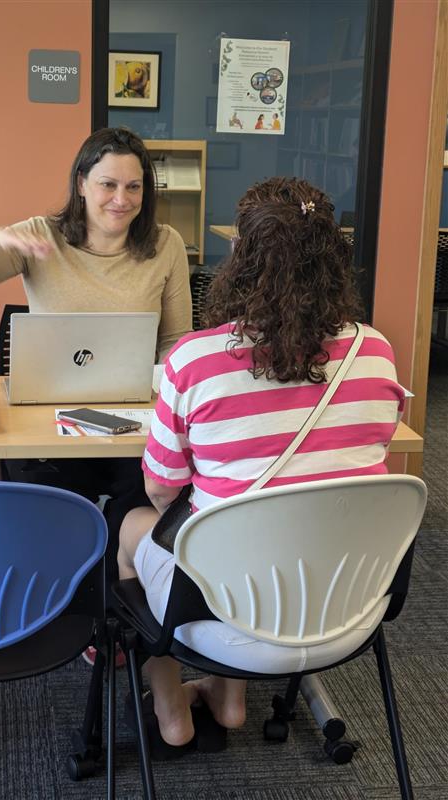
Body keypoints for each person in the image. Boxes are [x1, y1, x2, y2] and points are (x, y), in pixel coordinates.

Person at [117, 176, 405, 750]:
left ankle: (171, 702)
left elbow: (160, 492)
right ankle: (228, 698)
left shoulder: (195, 362)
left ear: (239, 259)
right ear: (333, 260)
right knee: (250, 531)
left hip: (231, 614)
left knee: (129, 525)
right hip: (346, 607)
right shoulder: (376, 352)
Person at [0, 126, 192, 588]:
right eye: (108, 184)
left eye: (134, 187)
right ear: (82, 183)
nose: (121, 199)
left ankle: (117, 604)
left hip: (132, 422)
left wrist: (163, 399)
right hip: (51, 423)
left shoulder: (165, 244)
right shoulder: (41, 236)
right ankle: (69, 601)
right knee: (54, 507)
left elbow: (175, 343)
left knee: (146, 498)